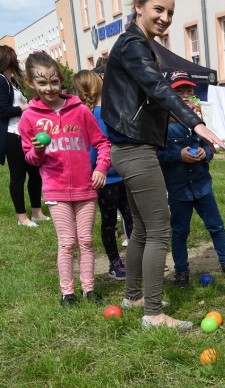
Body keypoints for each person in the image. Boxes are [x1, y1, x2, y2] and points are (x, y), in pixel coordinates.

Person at [102, 0, 225, 329]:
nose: (165, 18)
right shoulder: (132, 44)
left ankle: (133, 296)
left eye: (170, 12)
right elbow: (158, 89)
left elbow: (151, 95)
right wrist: (194, 124)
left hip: (130, 148)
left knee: (141, 229)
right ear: (139, 6)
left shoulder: (138, 44)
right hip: (135, 150)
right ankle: (154, 314)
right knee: (158, 230)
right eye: (158, 8)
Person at [19, 52, 111, 306]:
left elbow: (102, 143)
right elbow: (30, 159)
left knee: (86, 240)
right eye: (42, 83)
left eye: (54, 82)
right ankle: (67, 292)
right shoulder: (29, 118)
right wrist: (37, 150)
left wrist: (101, 168)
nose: (49, 88)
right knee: (68, 242)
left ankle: (89, 290)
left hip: (85, 188)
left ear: (61, 80)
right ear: (30, 83)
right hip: (55, 190)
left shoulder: (80, 110)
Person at [159, 70, 225, 288]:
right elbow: (157, 156)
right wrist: (179, 155)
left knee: (216, 226)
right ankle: (182, 272)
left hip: (202, 186)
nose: (186, 95)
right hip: (178, 190)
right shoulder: (162, 125)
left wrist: (207, 153)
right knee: (180, 232)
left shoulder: (200, 122)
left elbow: (210, 147)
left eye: (189, 91)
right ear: (170, 95)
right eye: (180, 91)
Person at [71, 69, 132, 281]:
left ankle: (133, 260)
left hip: (119, 175)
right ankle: (117, 264)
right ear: (98, 84)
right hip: (107, 179)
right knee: (116, 220)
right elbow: (91, 150)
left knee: (120, 220)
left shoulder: (107, 111)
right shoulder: (90, 115)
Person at [1, 46, 47, 227]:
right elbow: (3, 110)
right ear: (8, 59)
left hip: (25, 134)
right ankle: (22, 217)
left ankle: (37, 212)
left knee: (35, 174)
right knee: (18, 176)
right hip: (13, 136)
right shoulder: (1, 81)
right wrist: (27, 107)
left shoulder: (12, 81)